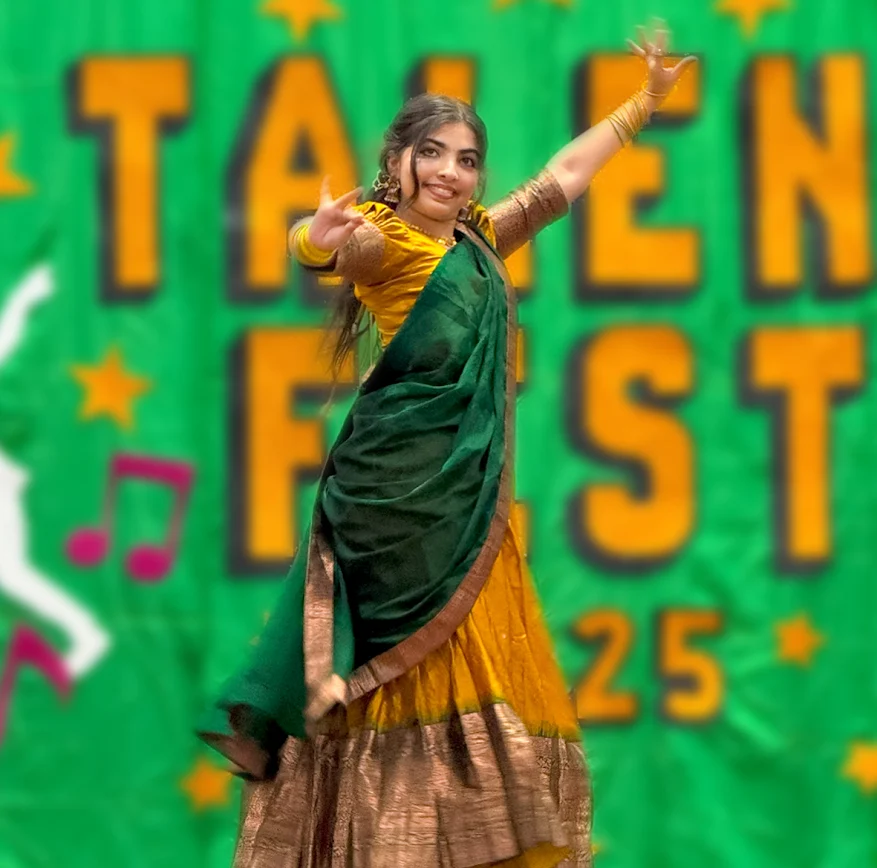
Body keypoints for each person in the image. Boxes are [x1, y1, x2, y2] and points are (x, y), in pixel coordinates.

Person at [199, 22, 695, 868]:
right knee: (387, 683)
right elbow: (328, 248)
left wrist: (642, 104)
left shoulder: (478, 242)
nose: (448, 172)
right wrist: (315, 236)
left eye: (466, 160)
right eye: (430, 153)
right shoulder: (380, 237)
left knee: (479, 672)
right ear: (395, 160)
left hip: (467, 498)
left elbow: (563, 177)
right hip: (395, 500)